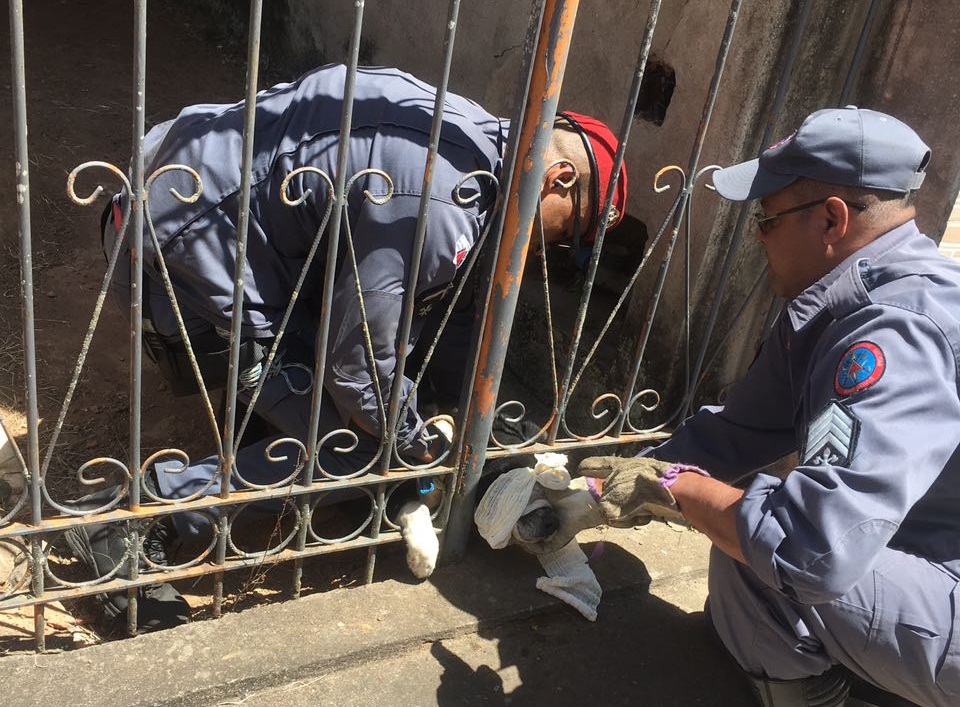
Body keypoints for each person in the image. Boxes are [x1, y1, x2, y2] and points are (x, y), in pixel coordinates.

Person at [67, 63, 628, 631]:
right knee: (361, 447)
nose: (549, 247)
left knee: (382, 380)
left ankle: (268, 413)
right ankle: (131, 520)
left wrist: (480, 421)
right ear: (557, 179)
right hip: (173, 265)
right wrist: (412, 440)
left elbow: (447, 310)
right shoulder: (442, 205)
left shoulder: (474, 143)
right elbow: (358, 370)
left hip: (193, 198)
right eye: (565, 231)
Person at [574, 106, 960, 707]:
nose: (758, 235)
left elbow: (808, 547)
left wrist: (677, 488)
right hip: (926, 550)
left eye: (767, 218)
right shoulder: (837, 302)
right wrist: (595, 491)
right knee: (746, 562)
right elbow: (736, 434)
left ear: (831, 219)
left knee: (762, 556)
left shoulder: (895, 332)